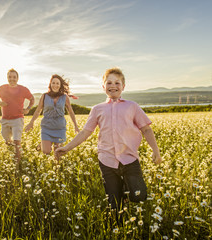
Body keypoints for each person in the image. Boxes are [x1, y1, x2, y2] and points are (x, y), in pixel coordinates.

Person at [55, 67, 163, 210]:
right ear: (103, 86)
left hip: (129, 158)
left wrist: (156, 150)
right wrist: (67, 148)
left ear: (123, 87)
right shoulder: (97, 109)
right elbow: (85, 132)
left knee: (139, 196)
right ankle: (118, 220)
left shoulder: (132, 106)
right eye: (109, 83)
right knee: (114, 204)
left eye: (117, 83)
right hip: (107, 160)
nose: (113, 86)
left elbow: (146, 129)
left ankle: (124, 191)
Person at [25, 74, 79, 157]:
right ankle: (43, 143)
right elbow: (38, 110)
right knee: (46, 151)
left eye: (57, 83)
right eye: (53, 83)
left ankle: (57, 169)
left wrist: (75, 125)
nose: (55, 85)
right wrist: (31, 122)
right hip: (47, 127)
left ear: (60, 85)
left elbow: (71, 112)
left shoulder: (65, 97)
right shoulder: (44, 96)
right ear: (50, 84)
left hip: (60, 128)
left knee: (58, 153)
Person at [0, 68, 35, 164]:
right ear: (7, 78)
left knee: (16, 142)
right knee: (8, 141)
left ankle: (17, 165)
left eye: (14, 77)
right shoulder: (1, 88)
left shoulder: (23, 89)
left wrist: (28, 108)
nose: (12, 79)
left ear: (17, 78)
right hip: (5, 120)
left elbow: (32, 99)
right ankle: (14, 155)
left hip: (18, 119)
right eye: (9, 77)